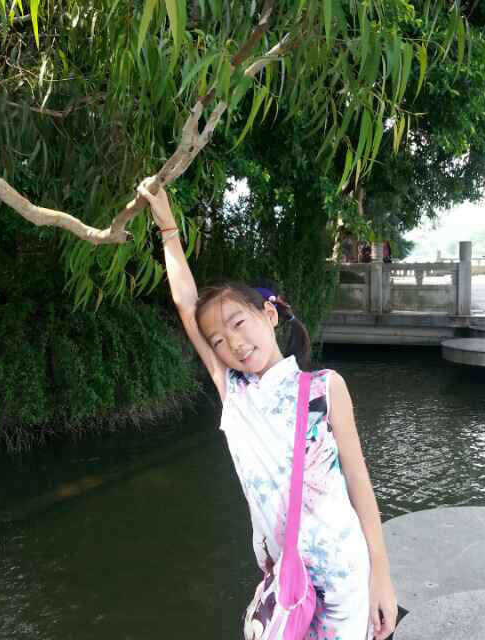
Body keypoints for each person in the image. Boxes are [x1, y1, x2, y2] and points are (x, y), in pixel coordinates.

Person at [138, 184, 398, 640]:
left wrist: (381, 574)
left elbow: (359, 481)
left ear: (269, 317)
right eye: (219, 341)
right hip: (285, 580)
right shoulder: (235, 395)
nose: (234, 344)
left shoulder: (325, 388)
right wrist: (167, 228)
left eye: (239, 323)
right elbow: (186, 304)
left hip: (345, 575)